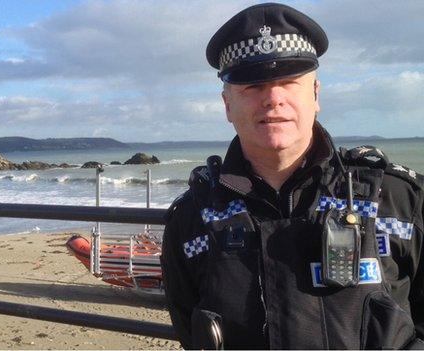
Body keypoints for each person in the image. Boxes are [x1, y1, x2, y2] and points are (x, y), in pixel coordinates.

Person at [161, 2, 424, 349]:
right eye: (252, 87)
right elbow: (189, 330)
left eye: (289, 81)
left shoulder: (399, 200)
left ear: (315, 95)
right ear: (227, 105)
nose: (273, 99)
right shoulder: (192, 218)